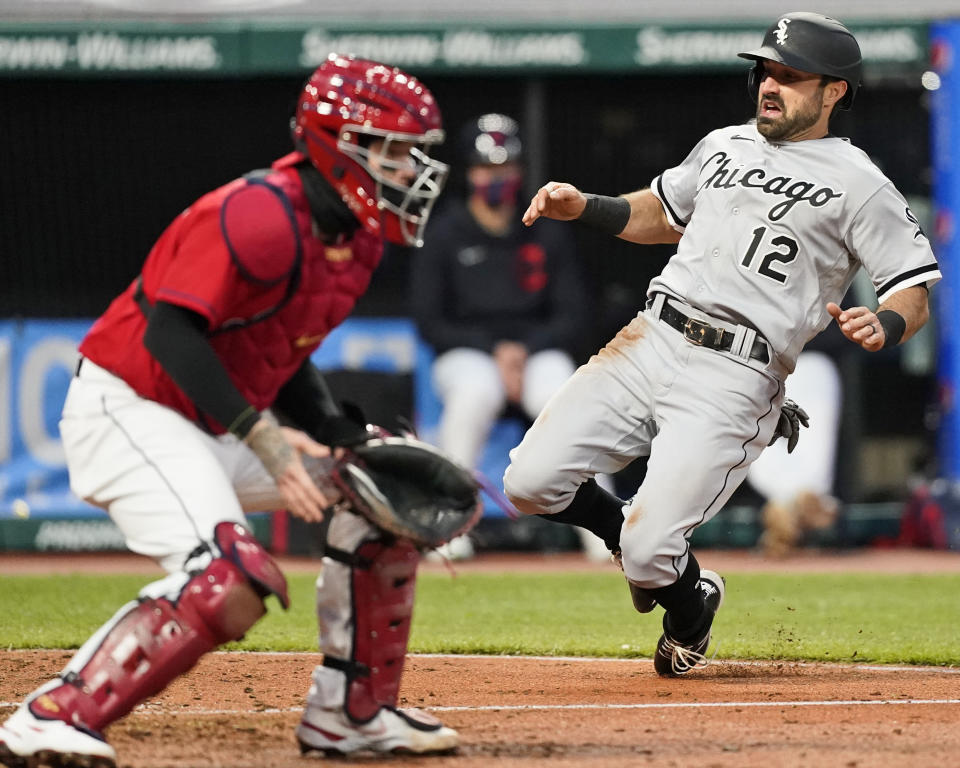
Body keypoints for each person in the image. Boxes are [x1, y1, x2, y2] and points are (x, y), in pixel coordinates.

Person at [0, 54, 462, 767]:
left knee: (375, 492)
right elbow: (170, 331)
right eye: (395, 153)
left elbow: (280, 346)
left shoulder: (360, 240)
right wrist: (268, 441)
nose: (411, 171)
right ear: (339, 145)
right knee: (229, 580)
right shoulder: (257, 212)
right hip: (130, 404)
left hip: (214, 419)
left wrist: (338, 432)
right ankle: (52, 713)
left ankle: (350, 716)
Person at [503, 12, 940, 677]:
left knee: (653, 555)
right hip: (649, 338)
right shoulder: (725, 144)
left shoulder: (860, 182)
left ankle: (689, 604)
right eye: (765, 70)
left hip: (735, 374)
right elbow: (660, 213)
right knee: (529, 482)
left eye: (791, 75)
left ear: (835, 91)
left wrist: (889, 323)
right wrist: (584, 205)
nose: (770, 84)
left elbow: (912, 287)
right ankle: (636, 543)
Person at [410, 113, 593, 557]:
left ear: (519, 172)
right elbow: (429, 322)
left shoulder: (546, 229)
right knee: (476, 391)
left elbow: (575, 315)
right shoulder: (445, 233)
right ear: (471, 173)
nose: (497, 178)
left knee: (560, 395)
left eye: (505, 168)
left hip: (537, 349)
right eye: (487, 169)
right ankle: (448, 522)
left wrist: (523, 350)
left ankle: (602, 528)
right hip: (468, 352)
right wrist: (495, 352)